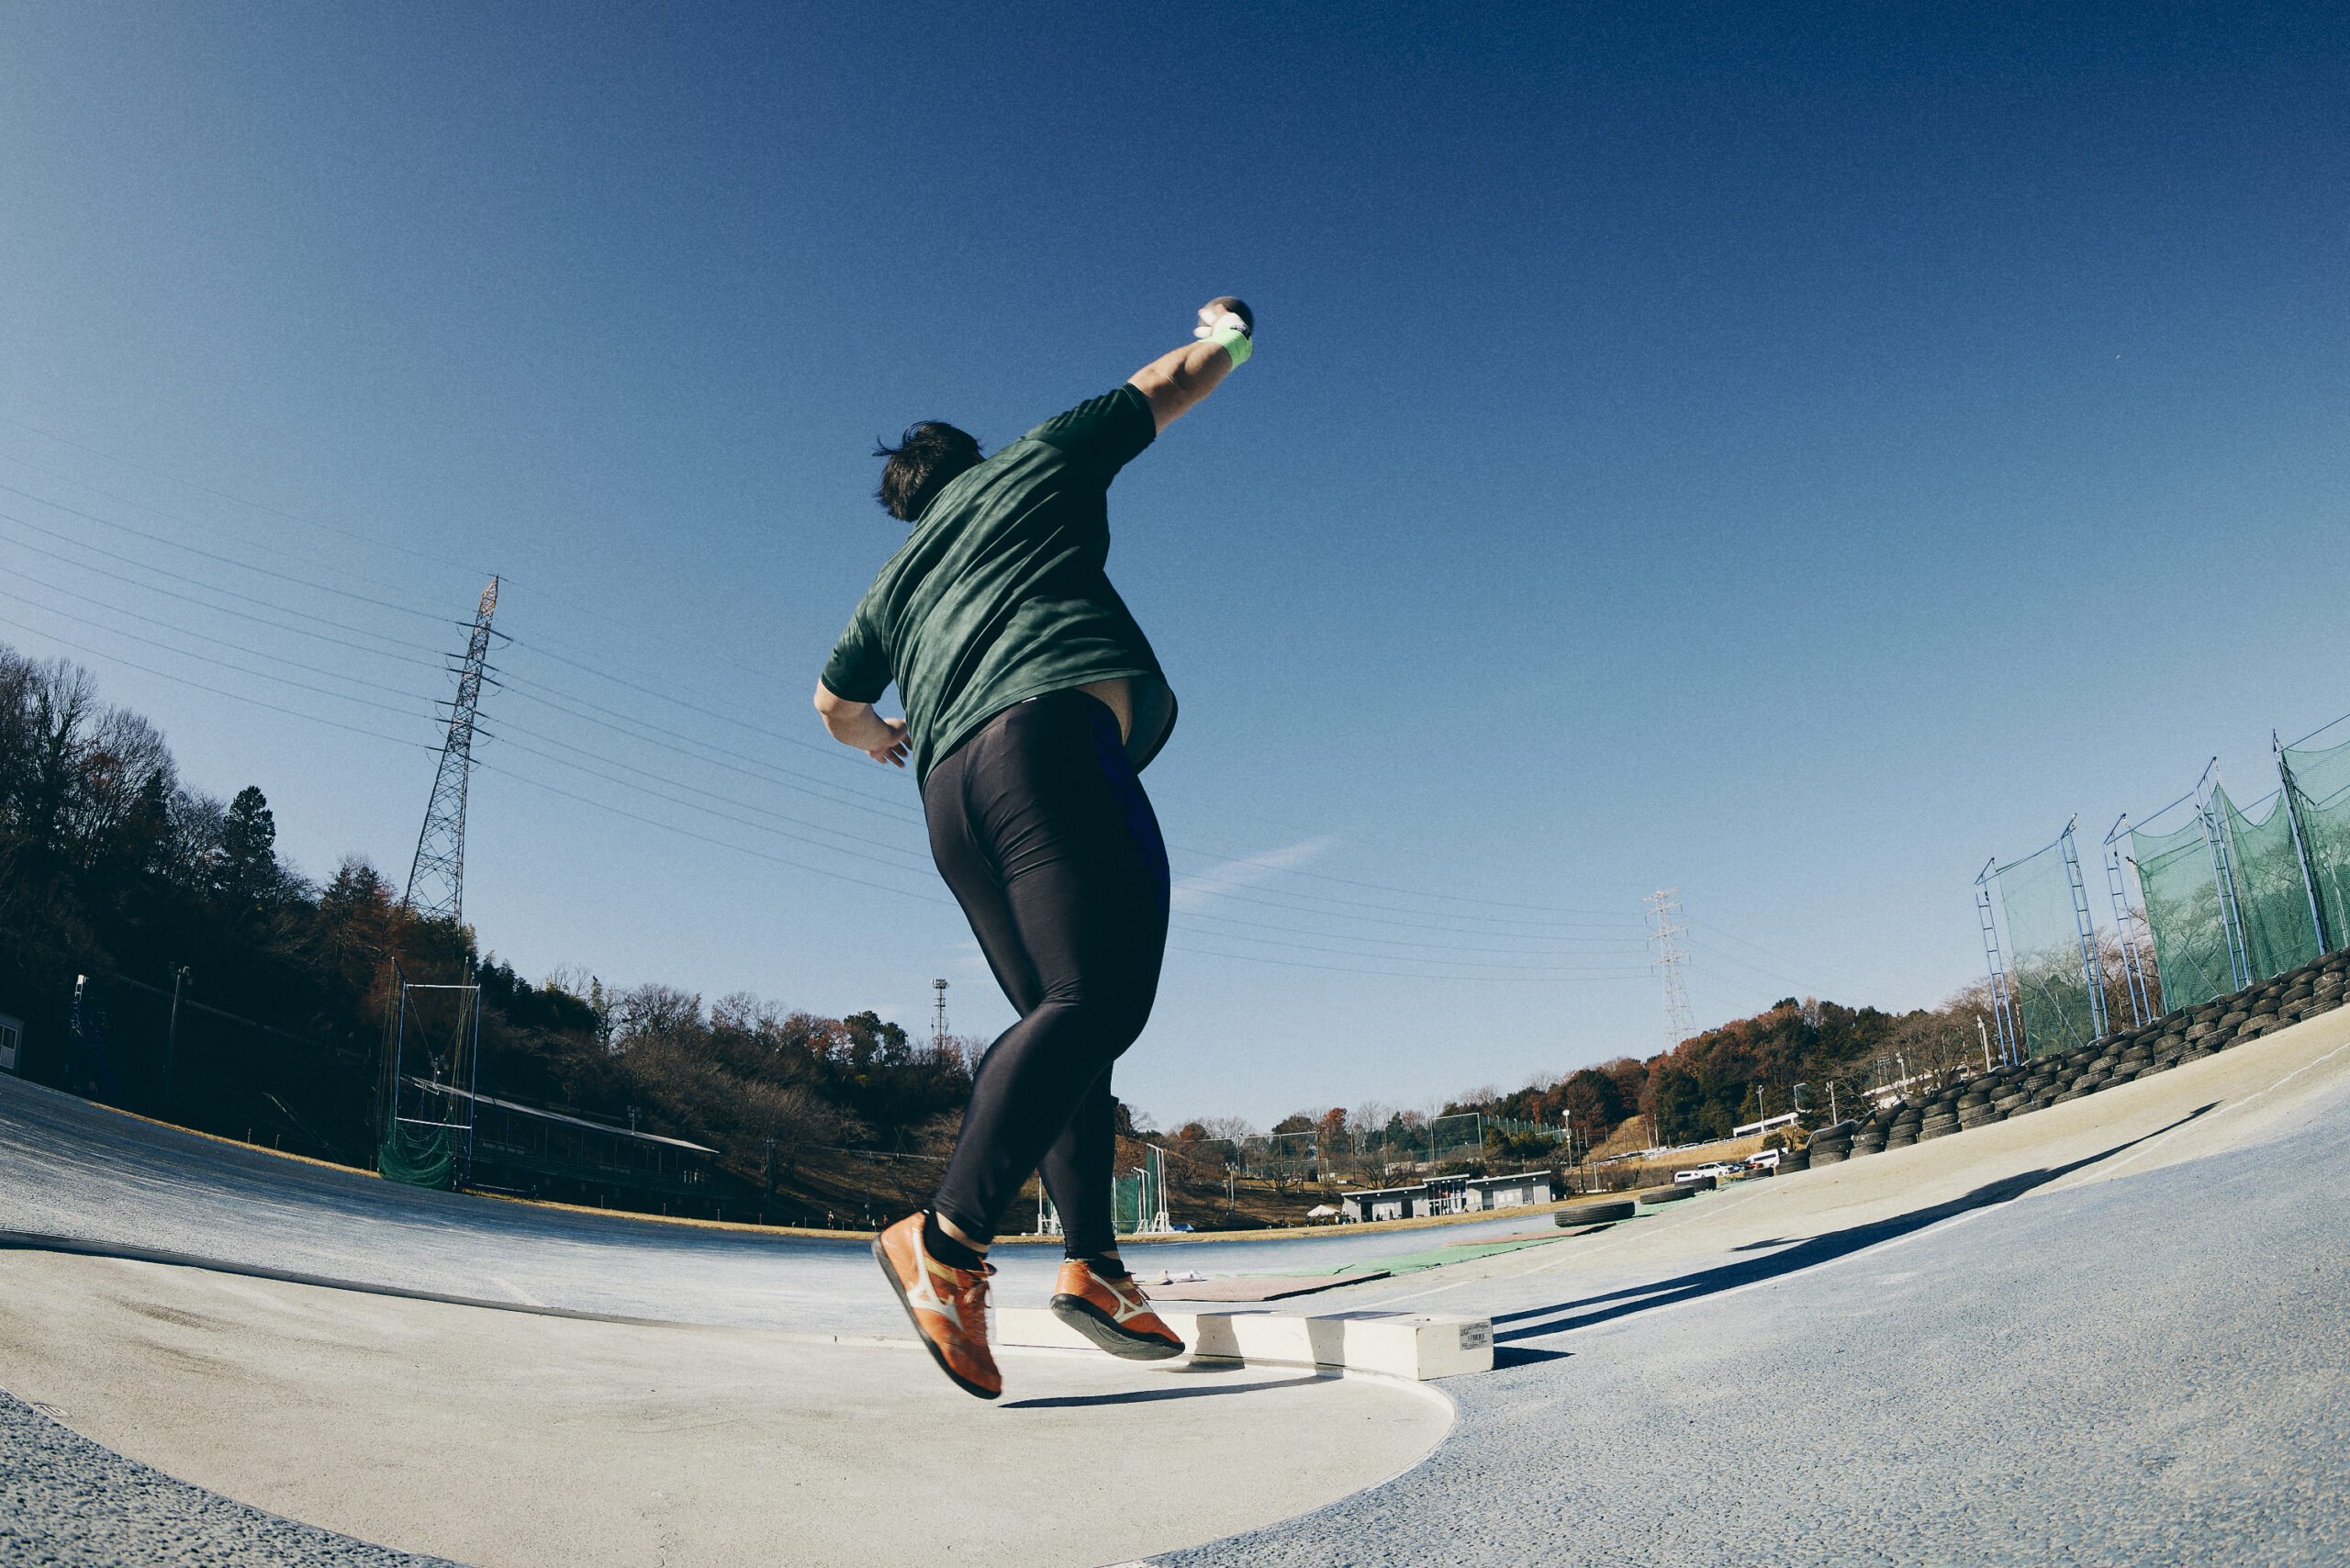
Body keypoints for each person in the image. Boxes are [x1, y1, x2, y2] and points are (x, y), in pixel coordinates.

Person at [814, 297, 1256, 1398]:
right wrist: (1230, 330)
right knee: (1100, 997)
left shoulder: (896, 582)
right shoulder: (1035, 459)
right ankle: (947, 1241)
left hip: (949, 798)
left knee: (1068, 1027)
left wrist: (882, 738)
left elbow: (830, 702)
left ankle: (1094, 1268)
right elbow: (1172, 380)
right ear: (969, 459)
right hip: (1046, 738)